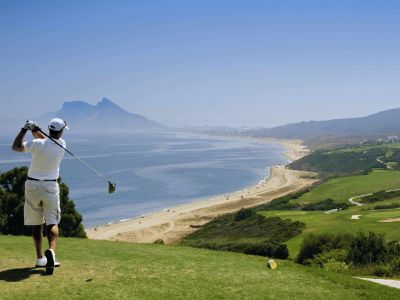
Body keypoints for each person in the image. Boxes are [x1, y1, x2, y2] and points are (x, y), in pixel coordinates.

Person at [12, 118, 68, 275]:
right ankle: (51, 250)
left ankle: (39, 258)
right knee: (52, 222)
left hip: (32, 186)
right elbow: (46, 140)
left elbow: (16, 147)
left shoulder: (36, 144)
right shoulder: (61, 144)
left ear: (49, 129)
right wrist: (35, 129)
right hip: (50, 186)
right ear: (61, 131)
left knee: (37, 224)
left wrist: (25, 129)